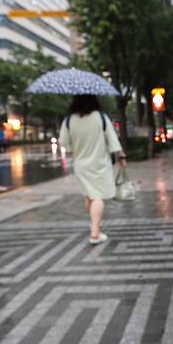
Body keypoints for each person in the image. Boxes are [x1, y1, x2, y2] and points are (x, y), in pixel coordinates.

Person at [59, 95, 127, 245]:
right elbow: (113, 140)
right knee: (98, 196)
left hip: (81, 164)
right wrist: (121, 157)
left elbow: (64, 143)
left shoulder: (69, 120)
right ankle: (95, 232)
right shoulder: (101, 118)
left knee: (90, 195)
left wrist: (75, 149)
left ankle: (94, 225)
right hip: (100, 163)